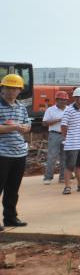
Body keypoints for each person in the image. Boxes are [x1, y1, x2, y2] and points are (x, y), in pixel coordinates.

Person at [0, 74, 32, 230]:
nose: (11, 91)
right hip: (2, 154)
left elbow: (27, 125)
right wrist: (14, 127)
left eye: (14, 88)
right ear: (2, 88)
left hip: (19, 153)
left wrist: (25, 128)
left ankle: (10, 217)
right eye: (8, 88)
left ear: (20, 90)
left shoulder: (21, 107)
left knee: (13, 189)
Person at [60, 87, 80, 195]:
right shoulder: (69, 110)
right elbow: (63, 126)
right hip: (72, 144)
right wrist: (67, 139)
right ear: (76, 98)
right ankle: (67, 187)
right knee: (69, 166)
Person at [41, 91, 68, 184]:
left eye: (65, 100)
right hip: (54, 134)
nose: (63, 101)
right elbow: (44, 123)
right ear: (56, 100)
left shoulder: (69, 109)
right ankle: (48, 177)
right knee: (52, 156)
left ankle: (62, 177)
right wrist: (59, 120)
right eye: (61, 100)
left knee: (65, 157)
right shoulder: (50, 110)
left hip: (66, 135)